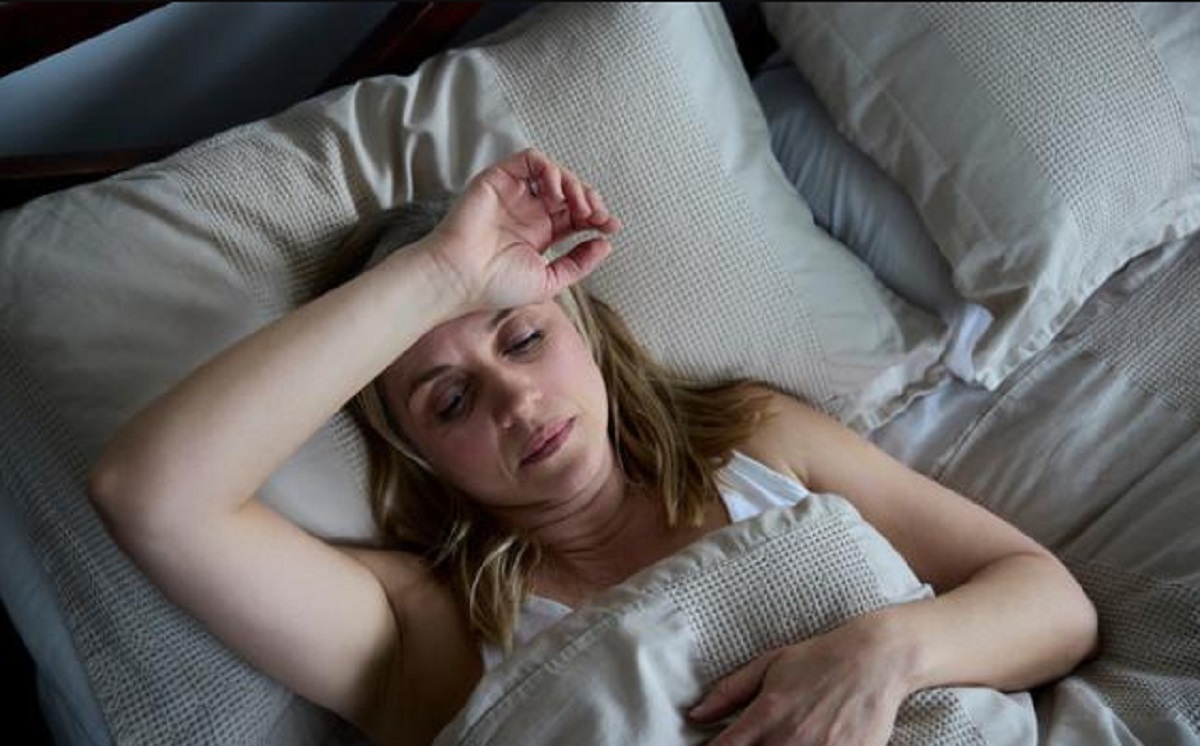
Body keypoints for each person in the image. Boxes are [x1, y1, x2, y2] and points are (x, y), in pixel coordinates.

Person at [88, 148, 1098, 746]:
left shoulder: (755, 437)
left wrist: (884, 650)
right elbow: (149, 492)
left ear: (590, 333)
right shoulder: (421, 628)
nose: (517, 398)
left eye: (524, 335)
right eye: (450, 399)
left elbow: (1051, 602)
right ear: (421, 454)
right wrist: (444, 277)